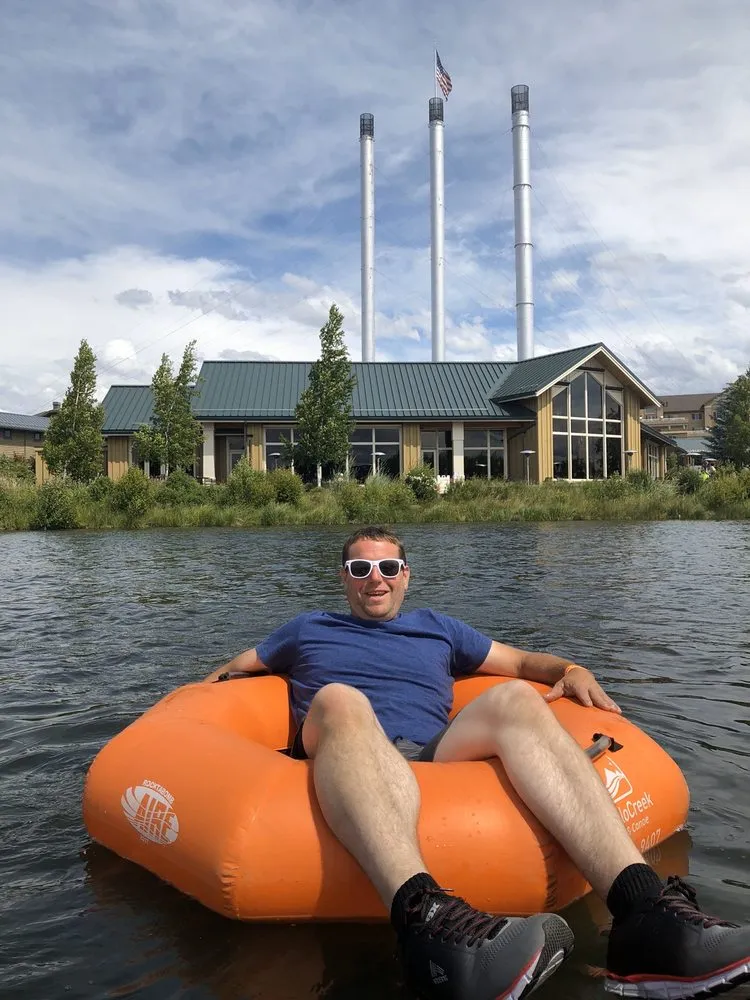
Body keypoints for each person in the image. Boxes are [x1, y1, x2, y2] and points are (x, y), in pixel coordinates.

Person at [207, 526, 750, 1000]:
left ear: (406, 575)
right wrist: (189, 710)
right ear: (343, 578)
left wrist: (572, 668)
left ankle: (645, 917)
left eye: (389, 567)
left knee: (515, 697)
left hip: (429, 755)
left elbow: (522, 662)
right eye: (361, 568)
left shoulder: (438, 628)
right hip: (340, 749)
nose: (376, 579)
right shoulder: (307, 628)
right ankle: (426, 922)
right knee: (340, 698)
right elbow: (232, 670)